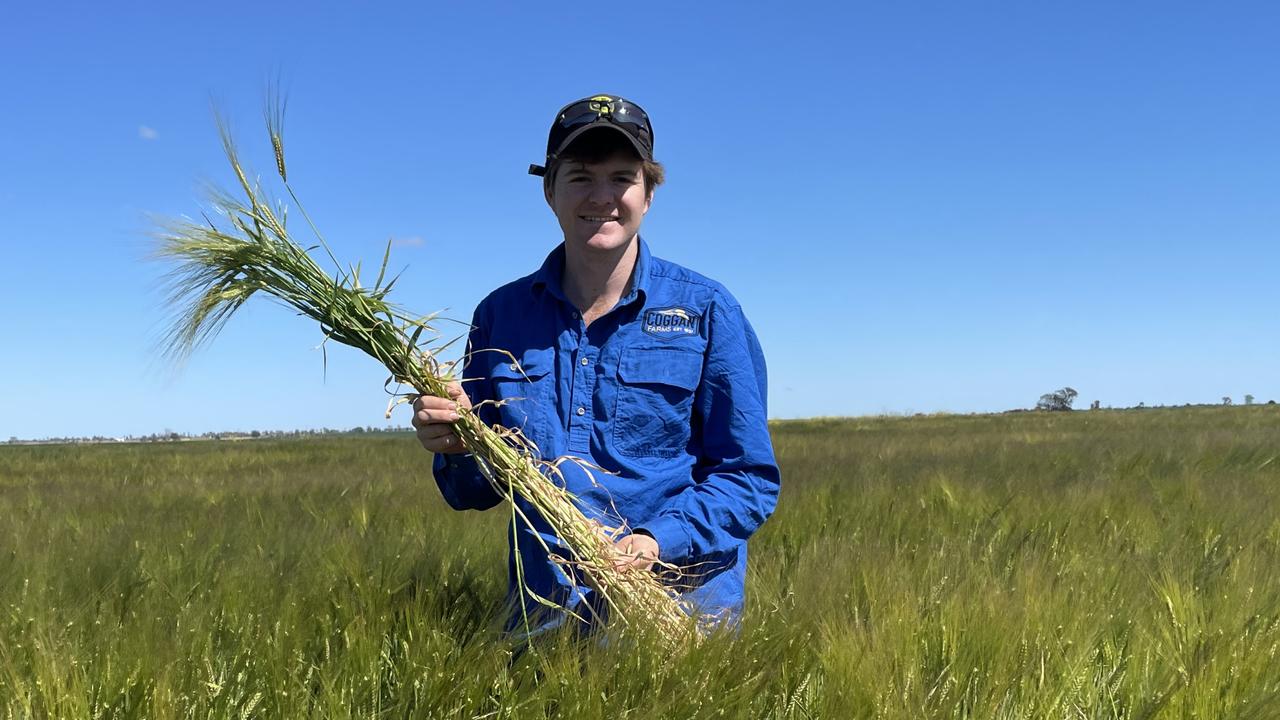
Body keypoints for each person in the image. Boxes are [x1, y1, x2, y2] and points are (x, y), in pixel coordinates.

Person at [412, 94, 779, 635]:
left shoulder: (706, 310)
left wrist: (659, 541)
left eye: (622, 178)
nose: (602, 197)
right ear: (549, 191)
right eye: (581, 177)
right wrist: (457, 444)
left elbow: (748, 478)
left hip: (680, 617)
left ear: (649, 194)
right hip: (546, 619)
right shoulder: (501, 316)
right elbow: (473, 491)